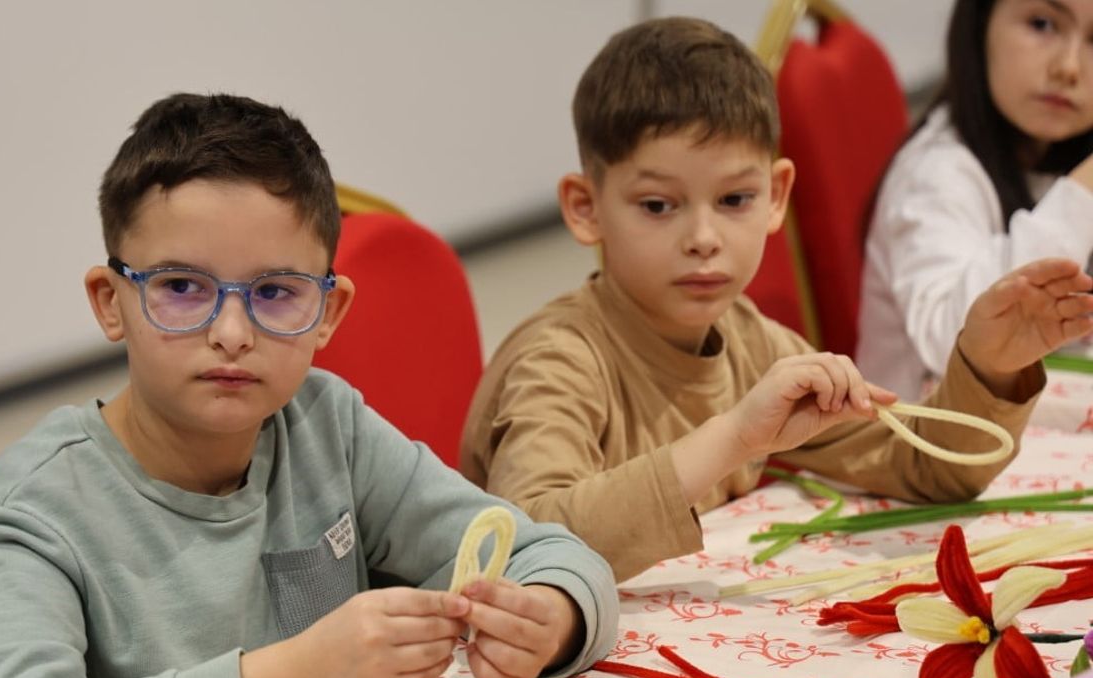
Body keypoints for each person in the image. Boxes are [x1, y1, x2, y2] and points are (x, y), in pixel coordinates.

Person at [0, 93, 618, 678]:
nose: (231, 334)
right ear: (112, 303)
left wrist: (548, 619)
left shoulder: (329, 427)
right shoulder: (35, 510)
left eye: (275, 293)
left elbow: (548, 551)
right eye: (181, 287)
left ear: (329, 312)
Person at [459, 17, 1093, 582]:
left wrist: (988, 363)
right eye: (658, 206)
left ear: (776, 195)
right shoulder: (559, 360)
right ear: (585, 207)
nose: (704, 240)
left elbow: (925, 471)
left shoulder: (748, 337)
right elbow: (526, 543)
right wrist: (733, 437)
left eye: (734, 200)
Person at [857, 0, 1093, 400]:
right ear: (980, 24)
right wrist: (1084, 189)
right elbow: (964, 342)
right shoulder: (935, 173)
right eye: (1042, 24)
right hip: (913, 446)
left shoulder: (1051, 152)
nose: (1068, 67)